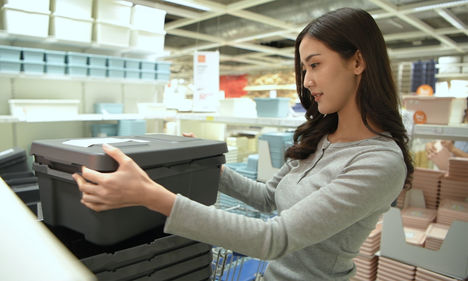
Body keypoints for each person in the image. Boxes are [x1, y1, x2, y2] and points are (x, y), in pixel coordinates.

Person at [73, 7, 413, 281]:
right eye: (304, 68)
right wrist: (203, 163)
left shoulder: (380, 163)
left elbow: (273, 238)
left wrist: (152, 196)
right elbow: (268, 198)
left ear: (357, 61)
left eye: (315, 65)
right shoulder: (322, 136)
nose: (307, 81)